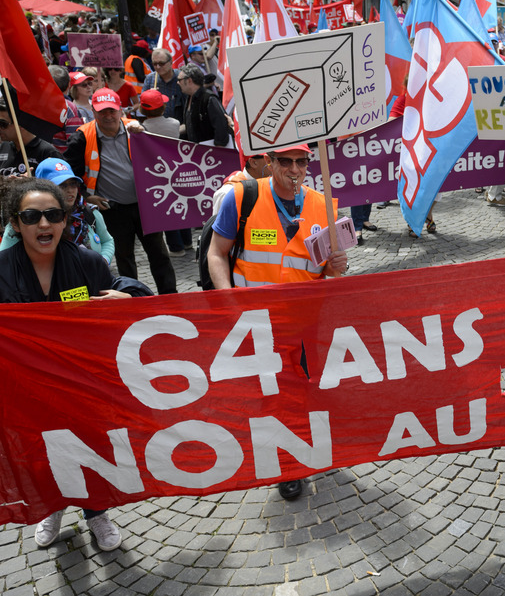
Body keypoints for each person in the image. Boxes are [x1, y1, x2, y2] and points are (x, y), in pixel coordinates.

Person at [207, 143, 346, 499]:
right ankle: (288, 465)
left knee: (306, 387)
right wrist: (228, 300)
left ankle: (312, 445)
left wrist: (337, 266)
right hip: (257, 323)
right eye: (286, 161)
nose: (295, 169)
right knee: (271, 395)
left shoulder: (324, 206)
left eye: (302, 162)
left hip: (305, 322)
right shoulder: (240, 198)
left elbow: (327, 269)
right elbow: (217, 253)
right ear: (269, 162)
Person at [0, 177, 132, 551]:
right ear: (15, 223)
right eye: (31, 216)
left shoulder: (89, 263)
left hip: (81, 383)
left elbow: (114, 323)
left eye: (52, 215)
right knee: (40, 454)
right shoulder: (1, 270)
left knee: (89, 449)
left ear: (64, 219)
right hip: (26, 388)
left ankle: (97, 512)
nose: (43, 224)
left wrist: (128, 304)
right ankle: (52, 506)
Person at [65, 88, 178, 294]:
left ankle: (170, 296)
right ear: (93, 111)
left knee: (159, 254)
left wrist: (144, 136)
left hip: (145, 206)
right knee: (124, 258)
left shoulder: (134, 129)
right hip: (114, 209)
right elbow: (70, 174)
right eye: (102, 111)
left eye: (112, 111)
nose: (108, 116)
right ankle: (131, 297)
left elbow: (158, 159)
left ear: (120, 110)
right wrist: (87, 196)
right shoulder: (82, 137)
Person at [0, 158, 114, 263]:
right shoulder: (25, 219)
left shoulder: (89, 212)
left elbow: (107, 241)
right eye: (62, 185)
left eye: (73, 184)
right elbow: (5, 259)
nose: (70, 190)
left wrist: (103, 261)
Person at [0, 97, 65, 172]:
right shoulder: (3, 147)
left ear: (21, 124)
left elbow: (61, 182)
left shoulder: (48, 153)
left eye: (3, 124)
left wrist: (30, 182)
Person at [178, 63, 230, 147]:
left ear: (189, 80)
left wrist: (218, 152)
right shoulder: (189, 98)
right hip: (197, 153)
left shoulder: (209, 98)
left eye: (179, 80)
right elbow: (191, 124)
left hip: (212, 155)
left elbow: (221, 127)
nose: (177, 82)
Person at [142, 48, 184, 121]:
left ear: (171, 62)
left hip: (179, 125)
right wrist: (148, 97)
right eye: (155, 64)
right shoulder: (150, 79)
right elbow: (143, 106)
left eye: (161, 63)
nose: (158, 67)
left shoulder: (181, 78)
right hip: (157, 124)